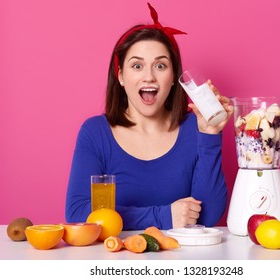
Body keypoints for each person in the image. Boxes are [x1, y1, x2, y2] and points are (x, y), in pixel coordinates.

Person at [65, 3, 233, 230]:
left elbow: (209, 216)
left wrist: (210, 134)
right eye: (137, 66)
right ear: (121, 76)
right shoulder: (95, 132)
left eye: (161, 66)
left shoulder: (196, 127)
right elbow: (77, 213)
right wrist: (163, 216)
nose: (149, 77)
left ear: (173, 77)